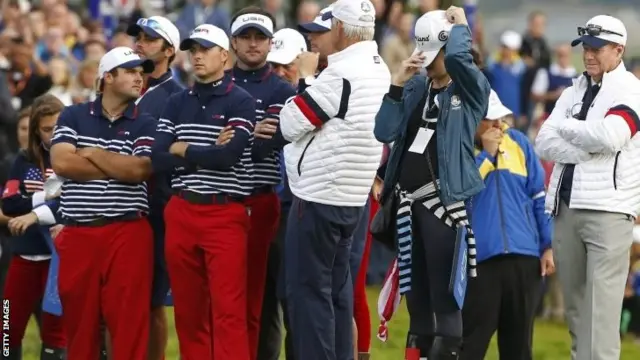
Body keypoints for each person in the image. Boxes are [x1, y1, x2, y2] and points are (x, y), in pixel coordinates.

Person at [374, 7, 490, 359]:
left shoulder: (470, 89)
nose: (426, 61)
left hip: (444, 207)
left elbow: (459, 56)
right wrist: (396, 85)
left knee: (446, 301)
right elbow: (384, 131)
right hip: (408, 207)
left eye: (433, 54)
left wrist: (460, 26)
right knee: (418, 309)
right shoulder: (416, 87)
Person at [278, 0, 390, 358]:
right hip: (351, 197)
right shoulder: (377, 67)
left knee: (309, 295)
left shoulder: (340, 74)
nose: (314, 41)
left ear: (340, 28)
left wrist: (306, 78)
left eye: (322, 32)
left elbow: (289, 123)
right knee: (338, 295)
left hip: (320, 194)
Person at [534, 15, 640, 360]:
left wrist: (566, 126)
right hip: (565, 209)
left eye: (597, 48)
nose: (589, 55)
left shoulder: (631, 89)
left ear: (618, 50)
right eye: (586, 47)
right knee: (578, 316)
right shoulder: (572, 90)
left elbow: (612, 136)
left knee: (601, 317)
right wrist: (582, 139)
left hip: (609, 212)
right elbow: (543, 142)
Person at [151, 24, 256, 360]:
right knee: (188, 310)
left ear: (224, 56)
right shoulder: (177, 101)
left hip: (224, 213)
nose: (196, 55)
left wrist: (185, 150)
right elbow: (158, 158)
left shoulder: (241, 101)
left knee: (228, 311)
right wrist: (202, 151)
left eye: (205, 49)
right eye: (193, 49)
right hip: (182, 210)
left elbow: (228, 157)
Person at [49, 47, 156, 360]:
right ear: (108, 77)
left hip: (128, 231)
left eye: (142, 72)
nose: (140, 77)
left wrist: (94, 153)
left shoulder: (146, 122)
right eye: (131, 71)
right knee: (79, 326)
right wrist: (117, 163)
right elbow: (63, 164)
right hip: (80, 231)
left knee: (129, 326)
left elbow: (139, 170)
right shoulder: (73, 114)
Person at [460, 90, 554, 360]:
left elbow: (539, 196)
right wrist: (486, 157)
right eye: (489, 120)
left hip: (524, 258)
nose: (496, 126)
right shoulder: (461, 147)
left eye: (499, 119)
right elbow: (462, 192)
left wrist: (547, 245)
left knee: (518, 348)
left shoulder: (520, 143)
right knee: (471, 344)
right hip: (482, 260)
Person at [226, 7, 297, 359]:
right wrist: (247, 134)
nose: (253, 44)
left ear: (270, 43)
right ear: (233, 42)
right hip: (221, 201)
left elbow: (267, 145)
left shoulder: (283, 91)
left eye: (260, 38)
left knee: (262, 298)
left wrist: (230, 137)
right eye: (246, 37)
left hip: (261, 201)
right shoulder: (216, 84)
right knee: (224, 297)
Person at [126, 15, 183, 360]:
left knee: (151, 300)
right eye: (139, 37)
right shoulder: (121, 85)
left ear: (169, 50)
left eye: (149, 38)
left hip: (157, 208)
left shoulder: (176, 95)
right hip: (118, 204)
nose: (140, 43)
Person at [1, 94, 66, 360]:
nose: (53, 134)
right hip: (24, 256)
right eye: (47, 129)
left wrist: (34, 208)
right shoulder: (23, 159)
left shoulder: (72, 158)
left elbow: (69, 203)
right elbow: (9, 203)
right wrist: (44, 198)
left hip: (57, 259)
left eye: (58, 127)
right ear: (37, 131)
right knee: (6, 327)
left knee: (55, 332)